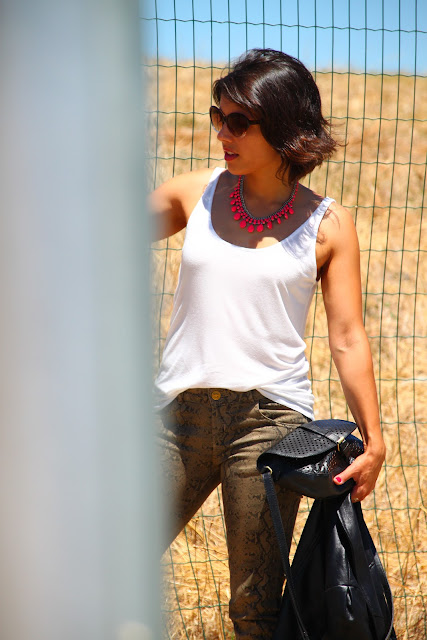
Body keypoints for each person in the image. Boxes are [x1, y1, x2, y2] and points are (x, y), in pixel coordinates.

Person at [150, 48, 386, 639]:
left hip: (268, 422)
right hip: (177, 415)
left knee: (253, 610)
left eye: (238, 121)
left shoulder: (328, 224)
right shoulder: (196, 193)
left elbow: (347, 336)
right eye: (218, 116)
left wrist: (375, 440)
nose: (222, 132)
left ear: (283, 128)